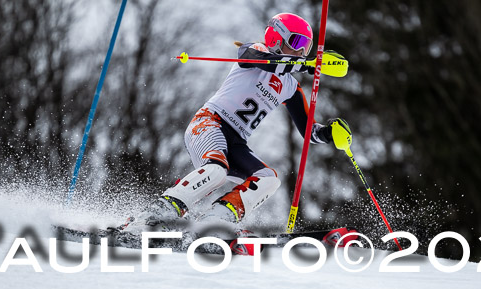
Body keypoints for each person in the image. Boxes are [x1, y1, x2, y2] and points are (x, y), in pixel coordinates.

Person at [139, 12, 349, 228]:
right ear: (277, 37)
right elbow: (267, 63)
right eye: (297, 42)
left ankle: (215, 222)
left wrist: (329, 133)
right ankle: (158, 212)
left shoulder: (290, 87)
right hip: (209, 124)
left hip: (237, 142)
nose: (301, 52)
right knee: (216, 171)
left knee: (268, 179)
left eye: (307, 47)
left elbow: (309, 133)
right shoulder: (254, 52)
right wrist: (307, 64)